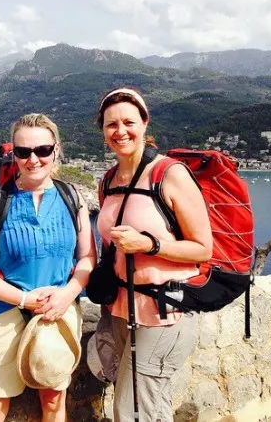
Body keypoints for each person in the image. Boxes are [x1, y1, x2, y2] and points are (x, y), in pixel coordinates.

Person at [0, 113, 96, 422]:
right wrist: (23, 300)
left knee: (53, 400)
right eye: (23, 152)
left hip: (58, 310)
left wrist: (68, 294)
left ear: (56, 150)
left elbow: (89, 258)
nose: (33, 159)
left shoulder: (72, 197)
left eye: (42, 150)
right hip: (6, 312)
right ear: (14, 155)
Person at [95, 88, 213, 422]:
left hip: (163, 314)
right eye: (111, 124)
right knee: (151, 408)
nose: (120, 131)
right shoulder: (107, 181)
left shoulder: (170, 174)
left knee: (130, 411)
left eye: (129, 122)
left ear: (145, 124)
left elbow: (203, 248)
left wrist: (150, 245)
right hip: (120, 309)